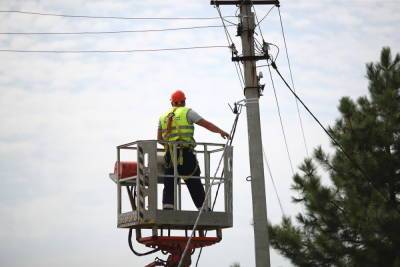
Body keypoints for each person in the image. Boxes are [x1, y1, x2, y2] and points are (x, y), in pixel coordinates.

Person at [158, 89, 230, 210]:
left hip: (169, 155)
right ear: (183, 101)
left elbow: (159, 139)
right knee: (193, 179)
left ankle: (168, 206)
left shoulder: (162, 117)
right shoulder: (187, 112)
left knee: (169, 180)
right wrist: (220, 131)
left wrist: (170, 145)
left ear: (172, 103)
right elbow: (206, 124)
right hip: (185, 153)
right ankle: (203, 209)